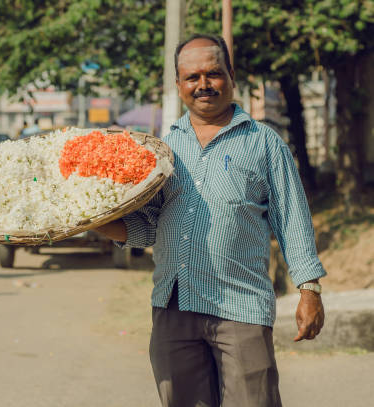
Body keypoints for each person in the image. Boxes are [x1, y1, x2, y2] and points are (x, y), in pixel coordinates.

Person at [96, 34, 326, 407]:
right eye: (192, 77)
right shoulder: (164, 148)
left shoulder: (264, 143)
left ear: (231, 76)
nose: (203, 85)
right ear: (178, 85)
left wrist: (309, 289)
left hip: (241, 308)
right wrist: (92, 220)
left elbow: (293, 219)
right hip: (174, 307)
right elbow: (149, 226)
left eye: (213, 73)